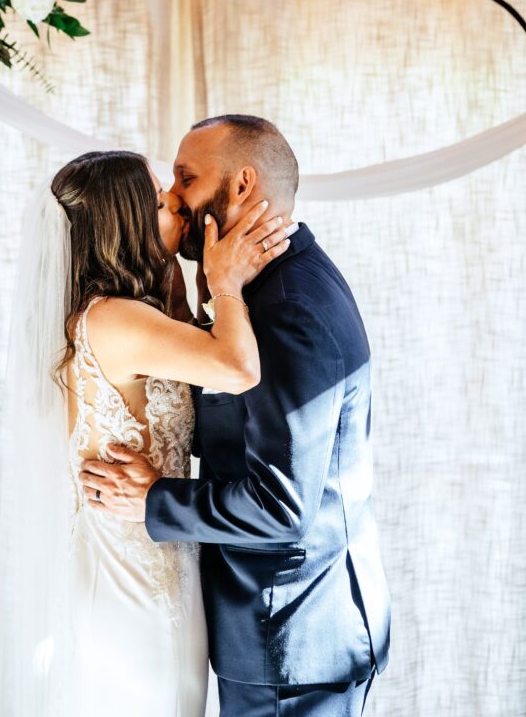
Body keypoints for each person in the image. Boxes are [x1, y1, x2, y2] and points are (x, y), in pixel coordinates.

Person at [81, 116, 392, 717]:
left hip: (291, 637)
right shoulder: (268, 285)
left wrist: (153, 499)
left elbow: (281, 507)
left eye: (186, 178)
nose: (174, 197)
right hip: (285, 628)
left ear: (243, 185)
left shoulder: (287, 308)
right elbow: (231, 417)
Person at [0, 149, 290, 717]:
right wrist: (224, 283)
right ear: (125, 224)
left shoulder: (118, 314)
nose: (176, 205)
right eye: (157, 202)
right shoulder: (115, 320)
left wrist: (181, 286)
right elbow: (238, 367)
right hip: (132, 595)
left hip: (153, 577)